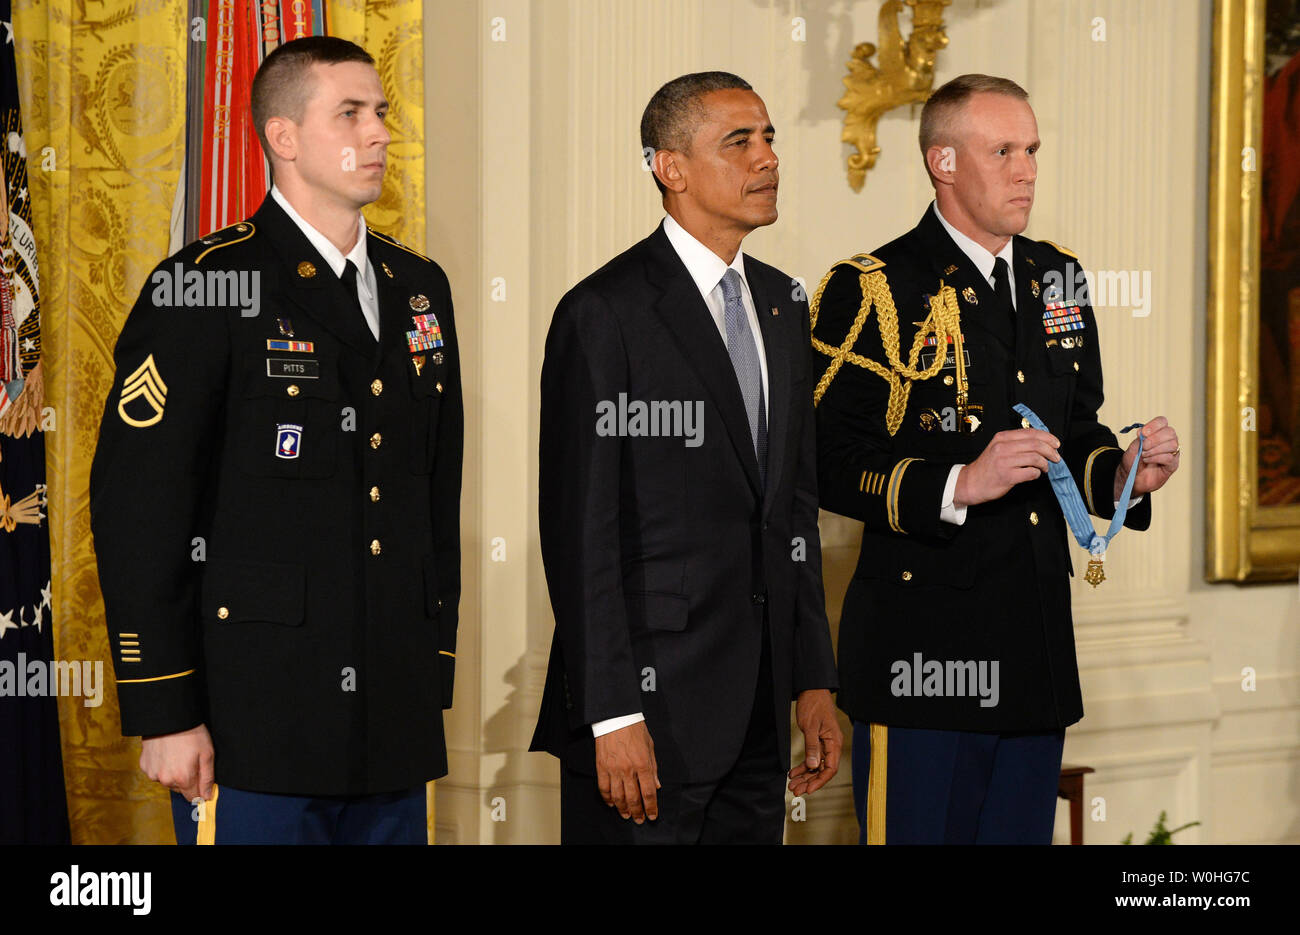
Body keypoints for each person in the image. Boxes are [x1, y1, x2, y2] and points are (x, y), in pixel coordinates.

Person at [89, 36, 462, 845]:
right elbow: (139, 509)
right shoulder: (204, 285)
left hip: (391, 724)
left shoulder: (419, 288)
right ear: (283, 136)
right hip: (254, 724)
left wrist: (432, 668)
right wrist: (166, 707)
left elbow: (433, 493)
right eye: (351, 114)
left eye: (384, 114)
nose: (379, 135)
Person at [810, 74, 1180, 844]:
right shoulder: (873, 287)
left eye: (1033, 149)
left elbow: (1074, 427)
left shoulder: (1059, 277)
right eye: (1003, 150)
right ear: (942, 161)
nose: (1027, 170)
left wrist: (1119, 474)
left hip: (1035, 652)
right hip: (922, 665)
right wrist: (957, 482)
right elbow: (827, 460)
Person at [530, 72, 841, 844]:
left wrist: (811, 677)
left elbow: (791, 510)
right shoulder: (603, 313)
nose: (767, 157)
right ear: (670, 168)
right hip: (648, 716)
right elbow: (582, 535)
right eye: (739, 141)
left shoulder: (783, 303)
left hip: (763, 717)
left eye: (770, 137)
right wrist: (612, 711)